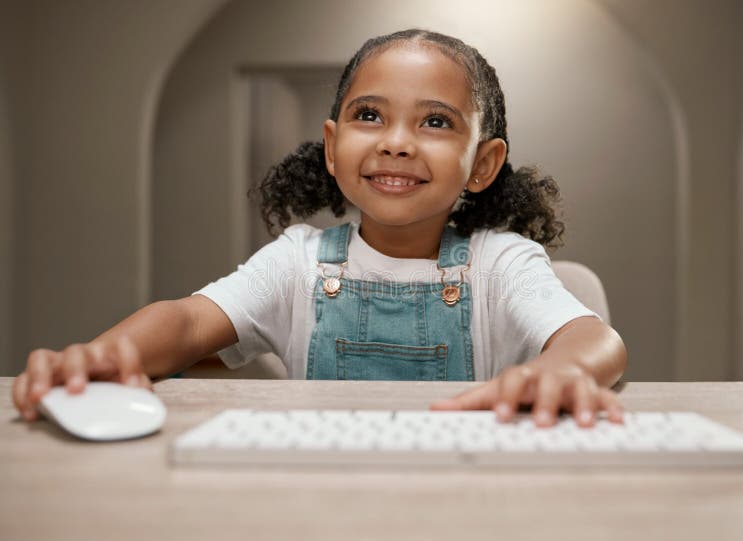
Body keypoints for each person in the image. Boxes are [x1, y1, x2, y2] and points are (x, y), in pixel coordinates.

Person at [12, 29, 626, 429]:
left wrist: (564, 370)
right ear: (332, 148)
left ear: (483, 164)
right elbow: (190, 323)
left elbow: (594, 339)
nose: (396, 142)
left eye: (435, 122)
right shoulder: (298, 261)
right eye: (369, 115)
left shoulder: (502, 263)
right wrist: (109, 354)